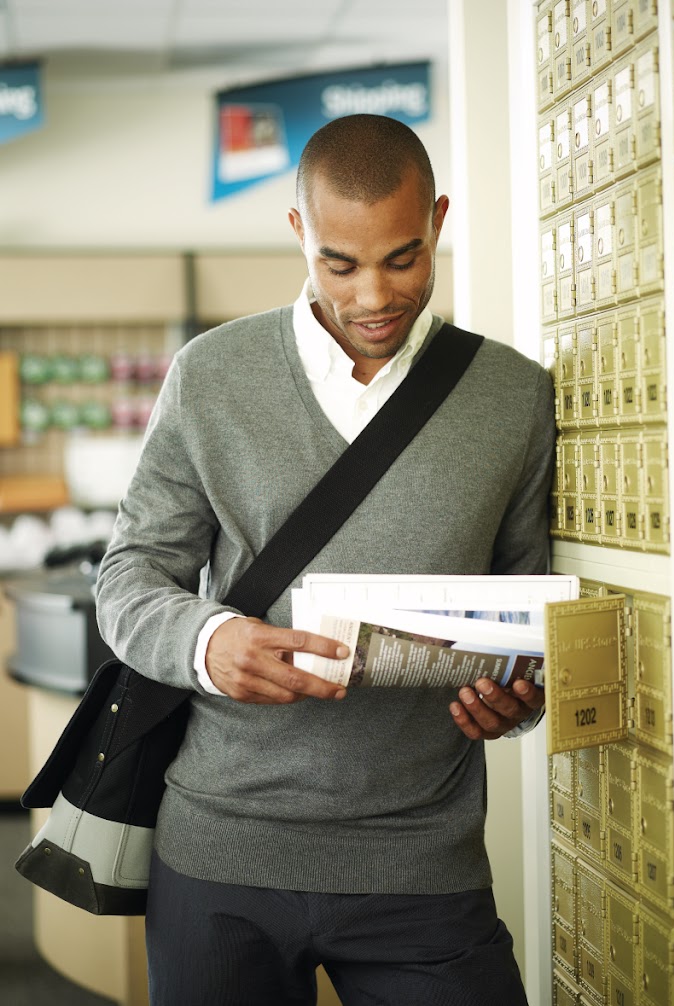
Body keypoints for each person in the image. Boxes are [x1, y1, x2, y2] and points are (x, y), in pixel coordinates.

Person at [95, 113, 555, 1006]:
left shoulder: (513, 396)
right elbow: (128, 577)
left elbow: (524, 611)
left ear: (438, 221)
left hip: (423, 862)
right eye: (340, 264)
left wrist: (518, 701)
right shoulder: (211, 375)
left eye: (403, 257)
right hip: (221, 851)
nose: (373, 295)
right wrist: (208, 641)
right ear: (301, 233)